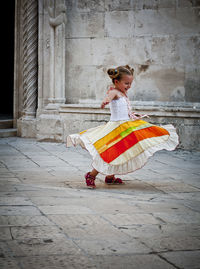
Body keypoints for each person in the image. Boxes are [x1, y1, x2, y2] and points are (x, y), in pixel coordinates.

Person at [66, 65, 179, 188]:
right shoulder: (114, 91)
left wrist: (131, 115)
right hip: (116, 127)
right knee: (109, 153)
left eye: (130, 83)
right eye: (126, 83)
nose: (129, 86)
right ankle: (91, 175)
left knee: (120, 152)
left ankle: (110, 176)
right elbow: (109, 97)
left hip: (125, 126)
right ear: (116, 81)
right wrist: (106, 101)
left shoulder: (123, 94)